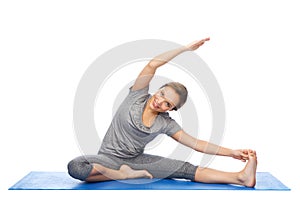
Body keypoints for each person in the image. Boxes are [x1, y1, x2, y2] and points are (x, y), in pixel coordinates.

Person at [68, 37, 257, 187]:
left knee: (185, 169)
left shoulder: (166, 123)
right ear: (157, 89)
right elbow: (152, 64)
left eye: (167, 104)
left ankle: (240, 178)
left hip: (138, 162)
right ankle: (122, 175)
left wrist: (231, 153)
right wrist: (184, 49)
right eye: (162, 94)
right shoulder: (137, 95)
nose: (160, 102)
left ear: (172, 109)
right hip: (106, 159)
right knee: (76, 167)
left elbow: (197, 144)